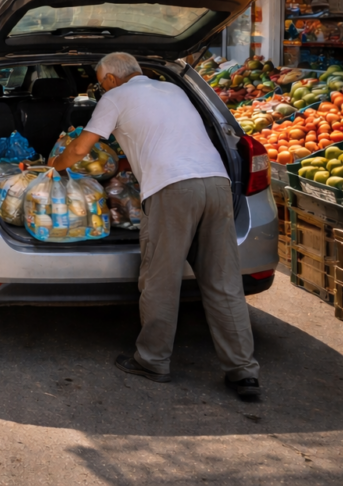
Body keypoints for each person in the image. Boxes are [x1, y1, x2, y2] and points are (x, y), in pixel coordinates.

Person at [48, 51, 261, 399]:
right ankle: (243, 372)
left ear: (111, 79)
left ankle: (152, 360)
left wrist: (54, 167)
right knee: (223, 282)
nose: (102, 89)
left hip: (172, 190)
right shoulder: (173, 90)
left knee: (161, 279)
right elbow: (160, 140)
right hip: (217, 184)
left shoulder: (115, 98)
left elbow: (81, 149)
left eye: (101, 83)